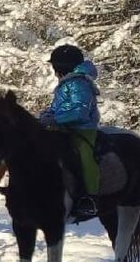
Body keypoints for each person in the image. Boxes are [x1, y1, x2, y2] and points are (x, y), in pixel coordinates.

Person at [39, 43, 100, 220]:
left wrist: (55, 119)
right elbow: (57, 107)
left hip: (82, 130)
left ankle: (89, 197)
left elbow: (80, 110)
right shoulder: (66, 83)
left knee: (84, 155)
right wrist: (44, 116)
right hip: (63, 129)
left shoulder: (79, 83)